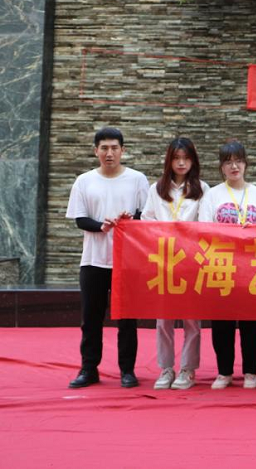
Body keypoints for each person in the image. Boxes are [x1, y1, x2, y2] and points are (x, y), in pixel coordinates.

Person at [66, 127, 150, 389]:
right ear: (96, 151)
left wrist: (130, 220)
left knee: (127, 319)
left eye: (114, 148)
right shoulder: (84, 181)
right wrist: (101, 226)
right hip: (93, 260)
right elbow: (80, 219)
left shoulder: (137, 180)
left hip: (127, 261)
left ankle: (127, 370)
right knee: (91, 318)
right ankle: (89, 369)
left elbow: (146, 216)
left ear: (123, 150)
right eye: (104, 148)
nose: (109, 153)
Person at [199, 140, 256, 390]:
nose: (234, 166)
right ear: (221, 167)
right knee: (222, 322)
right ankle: (224, 372)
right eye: (228, 162)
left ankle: (251, 371)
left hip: (252, 268)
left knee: (252, 322)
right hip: (221, 265)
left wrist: (254, 231)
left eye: (238, 161)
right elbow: (203, 229)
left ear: (245, 164)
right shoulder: (213, 195)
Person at [142, 137, 208, 390]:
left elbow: (206, 224)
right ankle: (166, 368)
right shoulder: (157, 188)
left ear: (193, 161)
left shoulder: (202, 188)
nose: (181, 163)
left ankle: (188, 369)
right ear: (169, 160)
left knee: (192, 319)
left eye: (186, 158)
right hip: (163, 260)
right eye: (176, 158)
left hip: (191, 261)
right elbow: (146, 220)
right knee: (164, 319)